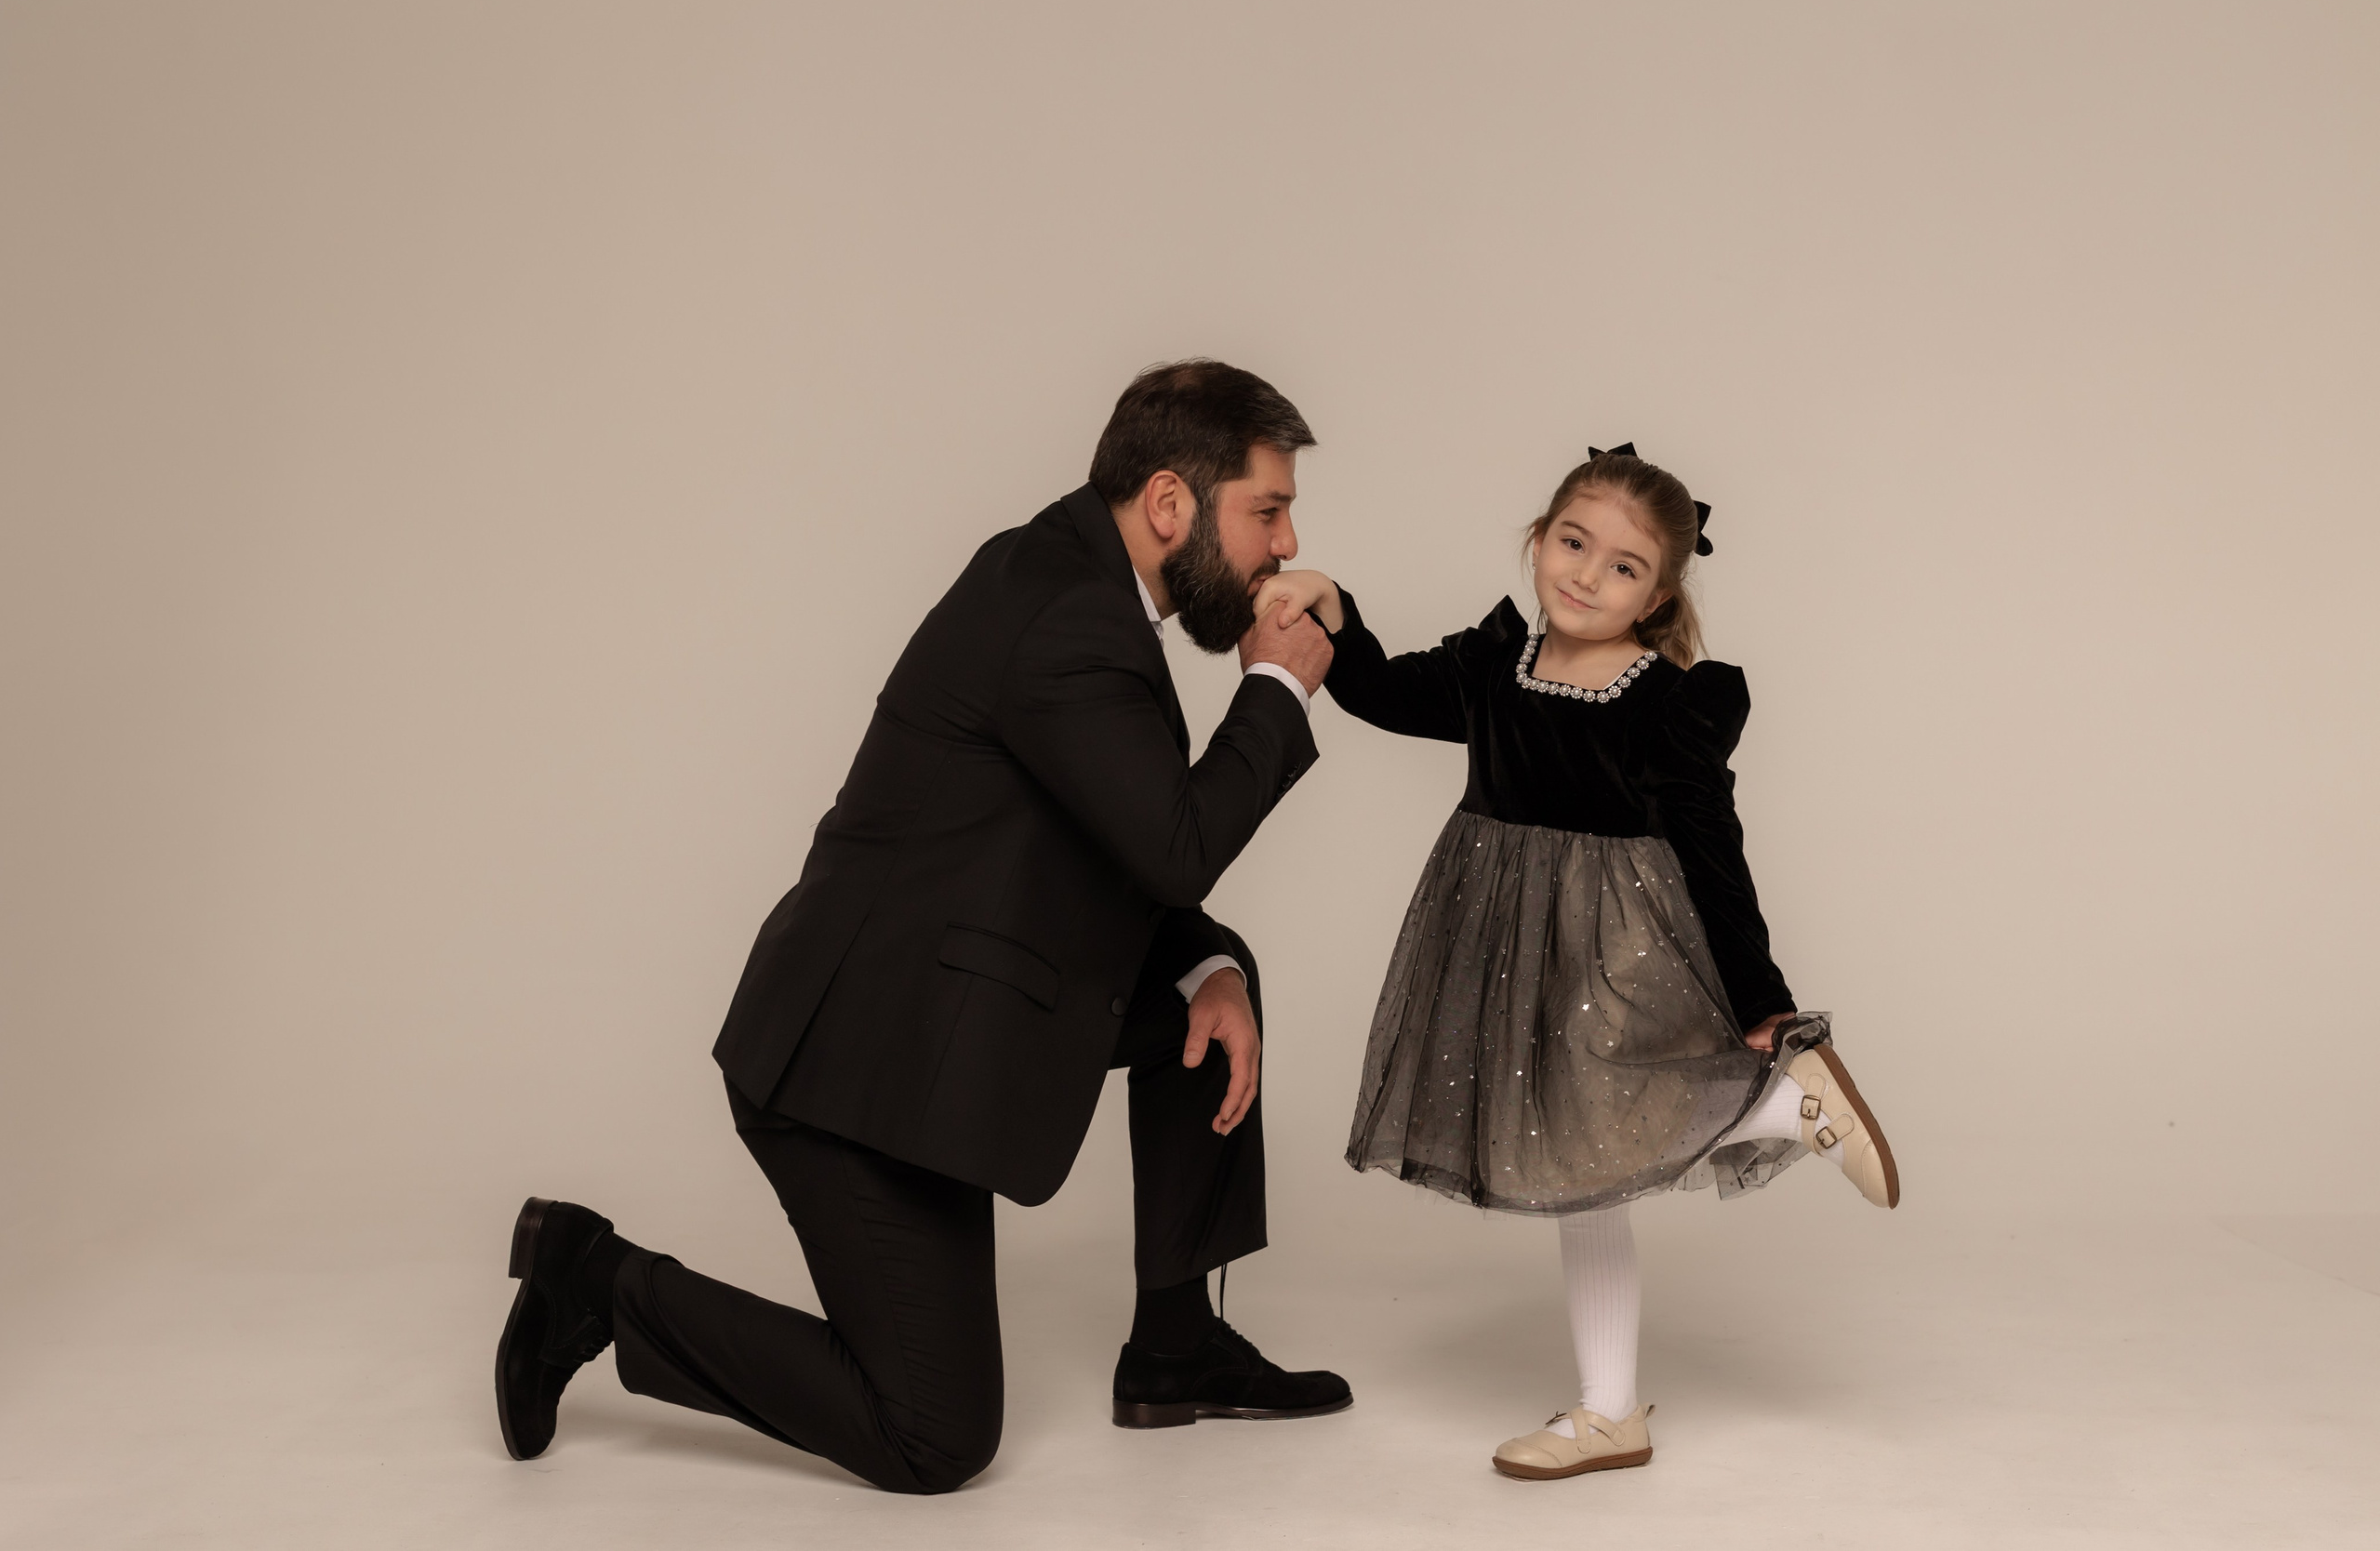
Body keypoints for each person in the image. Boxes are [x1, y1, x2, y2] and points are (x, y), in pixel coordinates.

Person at [493, 360, 1353, 1493]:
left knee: (1213, 969)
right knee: (936, 1437)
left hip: (960, 1006)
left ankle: (1174, 1347)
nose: (1286, 546)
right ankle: (590, 1276)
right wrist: (1277, 689)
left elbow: (1115, 843)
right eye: (1268, 510)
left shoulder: (1076, 584)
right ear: (1168, 503)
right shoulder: (1066, 619)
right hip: (858, 1071)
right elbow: (1175, 843)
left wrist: (1199, 958)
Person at [1251, 444, 1898, 1480]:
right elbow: (1373, 692)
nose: (1588, 575)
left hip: (1613, 943)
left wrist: (1764, 1003)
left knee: (1598, 1131)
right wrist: (1335, 607)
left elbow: (1712, 849)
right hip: (1505, 945)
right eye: (1573, 543)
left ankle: (1788, 1102)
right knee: (1574, 1164)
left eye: (1625, 567)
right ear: (1538, 540)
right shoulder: (1488, 665)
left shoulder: (1668, 704)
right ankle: (1609, 1413)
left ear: (1661, 593)